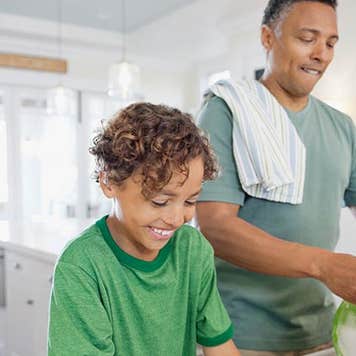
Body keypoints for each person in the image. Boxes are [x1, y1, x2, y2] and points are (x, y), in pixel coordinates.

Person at [196, 0, 356, 355]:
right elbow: (215, 226)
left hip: (322, 334)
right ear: (268, 37)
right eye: (307, 38)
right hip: (238, 337)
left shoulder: (342, 127)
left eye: (330, 43)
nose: (321, 54)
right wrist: (325, 265)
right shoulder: (225, 111)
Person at [47, 102, 240, 356]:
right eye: (159, 201)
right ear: (109, 182)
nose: (175, 218)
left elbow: (219, 345)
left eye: (190, 201)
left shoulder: (192, 249)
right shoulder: (82, 265)